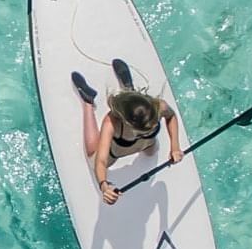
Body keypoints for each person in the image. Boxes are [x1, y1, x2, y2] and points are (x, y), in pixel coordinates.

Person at [72, 58, 182, 204]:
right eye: (142, 130)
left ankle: (129, 90)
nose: (150, 129)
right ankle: (88, 103)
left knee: (152, 151)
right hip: (116, 152)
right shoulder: (111, 122)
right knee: (93, 156)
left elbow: (171, 116)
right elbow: (101, 161)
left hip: (147, 145)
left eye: (153, 125)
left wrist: (175, 146)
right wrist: (104, 186)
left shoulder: (159, 107)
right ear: (126, 122)